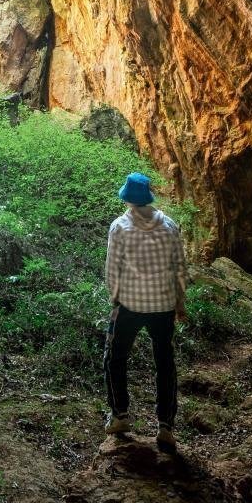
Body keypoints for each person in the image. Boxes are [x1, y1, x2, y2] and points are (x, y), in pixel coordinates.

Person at [103, 172, 187, 450]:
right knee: (165, 363)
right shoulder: (170, 226)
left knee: (115, 357)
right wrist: (180, 303)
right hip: (163, 306)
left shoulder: (119, 227)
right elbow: (179, 268)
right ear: (148, 198)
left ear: (127, 199)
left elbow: (112, 270)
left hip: (129, 304)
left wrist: (115, 299)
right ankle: (165, 427)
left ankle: (120, 416)